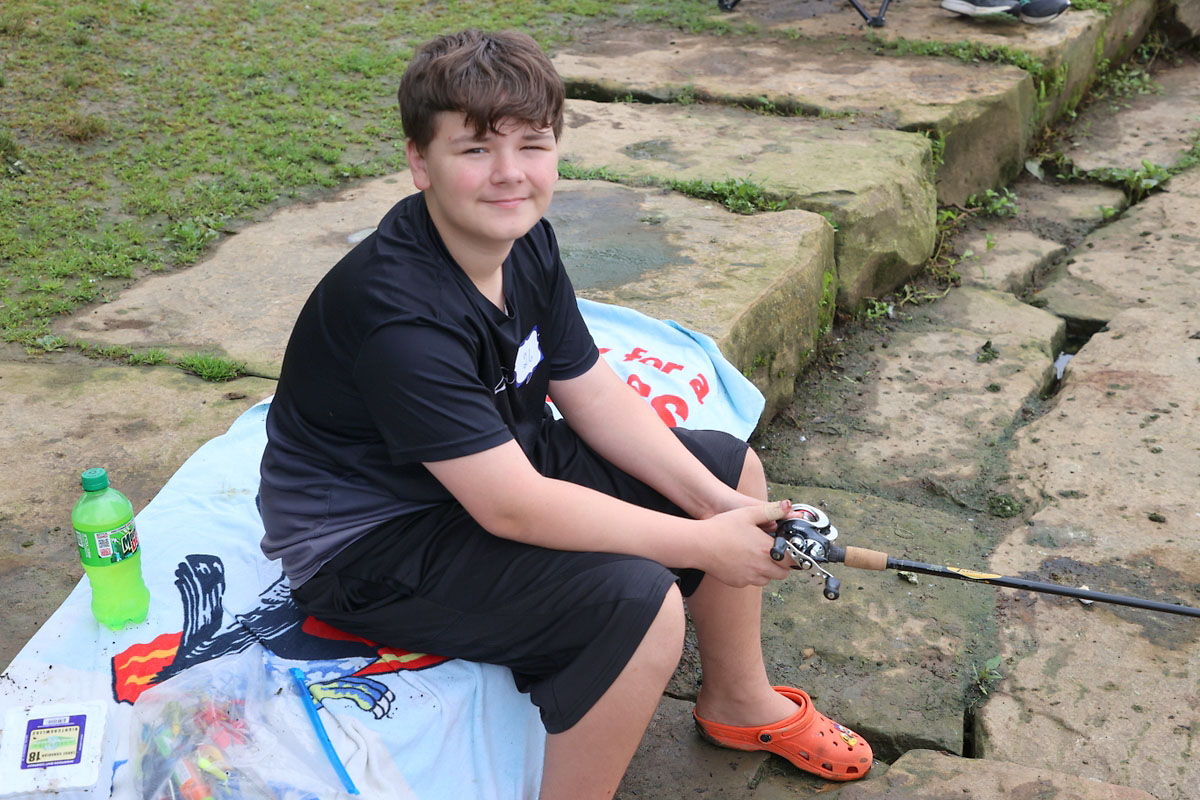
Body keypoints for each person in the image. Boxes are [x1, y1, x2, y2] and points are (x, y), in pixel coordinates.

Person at [258, 28, 872, 799]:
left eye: (533, 145)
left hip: (487, 462)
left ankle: (739, 703)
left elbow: (591, 390)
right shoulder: (399, 318)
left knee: (731, 467)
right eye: (476, 150)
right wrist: (699, 542)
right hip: (371, 541)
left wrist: (720, 508)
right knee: (637, 606)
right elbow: (512, 507)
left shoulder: (527, 243)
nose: (510, 174)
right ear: (420, 161)